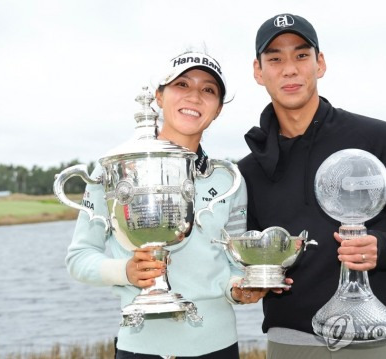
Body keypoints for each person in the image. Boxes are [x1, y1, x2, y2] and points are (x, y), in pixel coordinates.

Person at [238, 13, 386, 359]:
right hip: (290, 345)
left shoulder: (377, 139)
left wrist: (383, 248)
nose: (289, 69)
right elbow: (246, 258)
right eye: (275, 58)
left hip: (374, 342)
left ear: (320, 64)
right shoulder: (249, 170)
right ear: (259, 71)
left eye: (302, 55)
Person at [66, 50, 253, 359]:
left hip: (219, 348)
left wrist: (239, 288)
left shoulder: (228, 178)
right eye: (182, 85)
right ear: (159, 97)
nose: (194, 96)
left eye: (208, 90)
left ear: (218, 109)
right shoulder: (114, 170)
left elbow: (235, 263)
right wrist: (125, 271)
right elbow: (79, 257)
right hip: (139, 348)